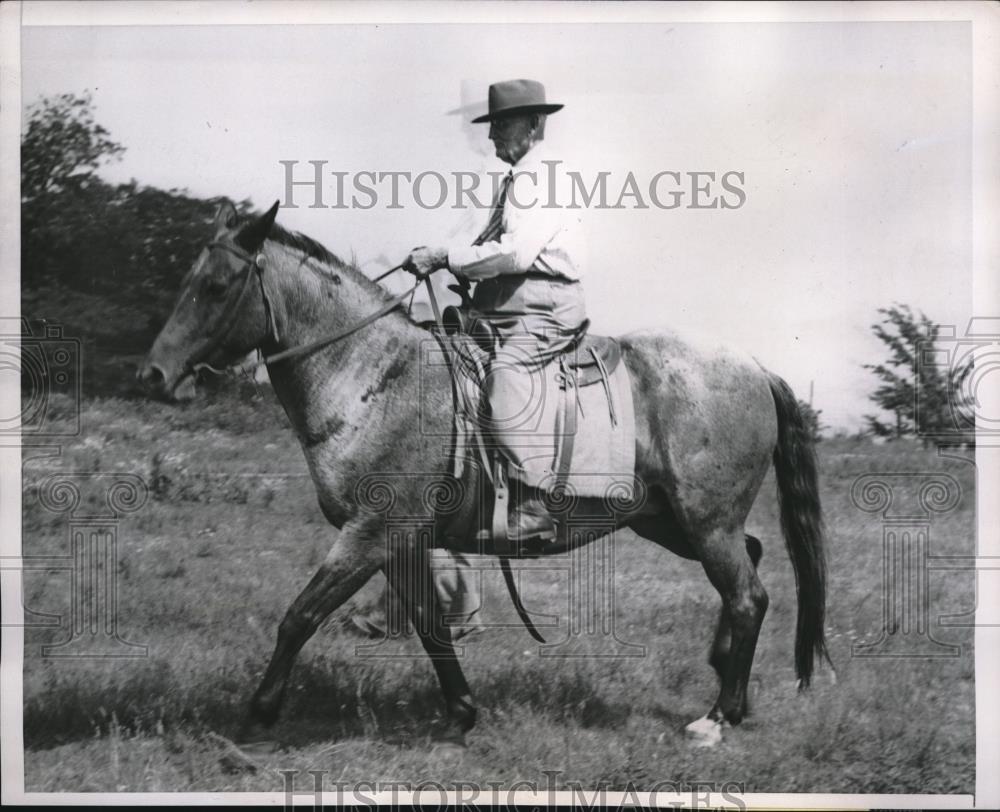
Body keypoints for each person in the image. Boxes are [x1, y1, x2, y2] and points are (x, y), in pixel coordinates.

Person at [405, 78, 588, 544]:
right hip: (502, 306)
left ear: (533, 124)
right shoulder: (511, 180)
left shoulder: (547, 178)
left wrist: (447, 257)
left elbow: (516, 254)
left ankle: (533, 504)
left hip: (544, 308)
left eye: (501, 126)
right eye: (491, 127)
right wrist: (437, 250)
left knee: (507, 373)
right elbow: (475, 242)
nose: (492, 137)